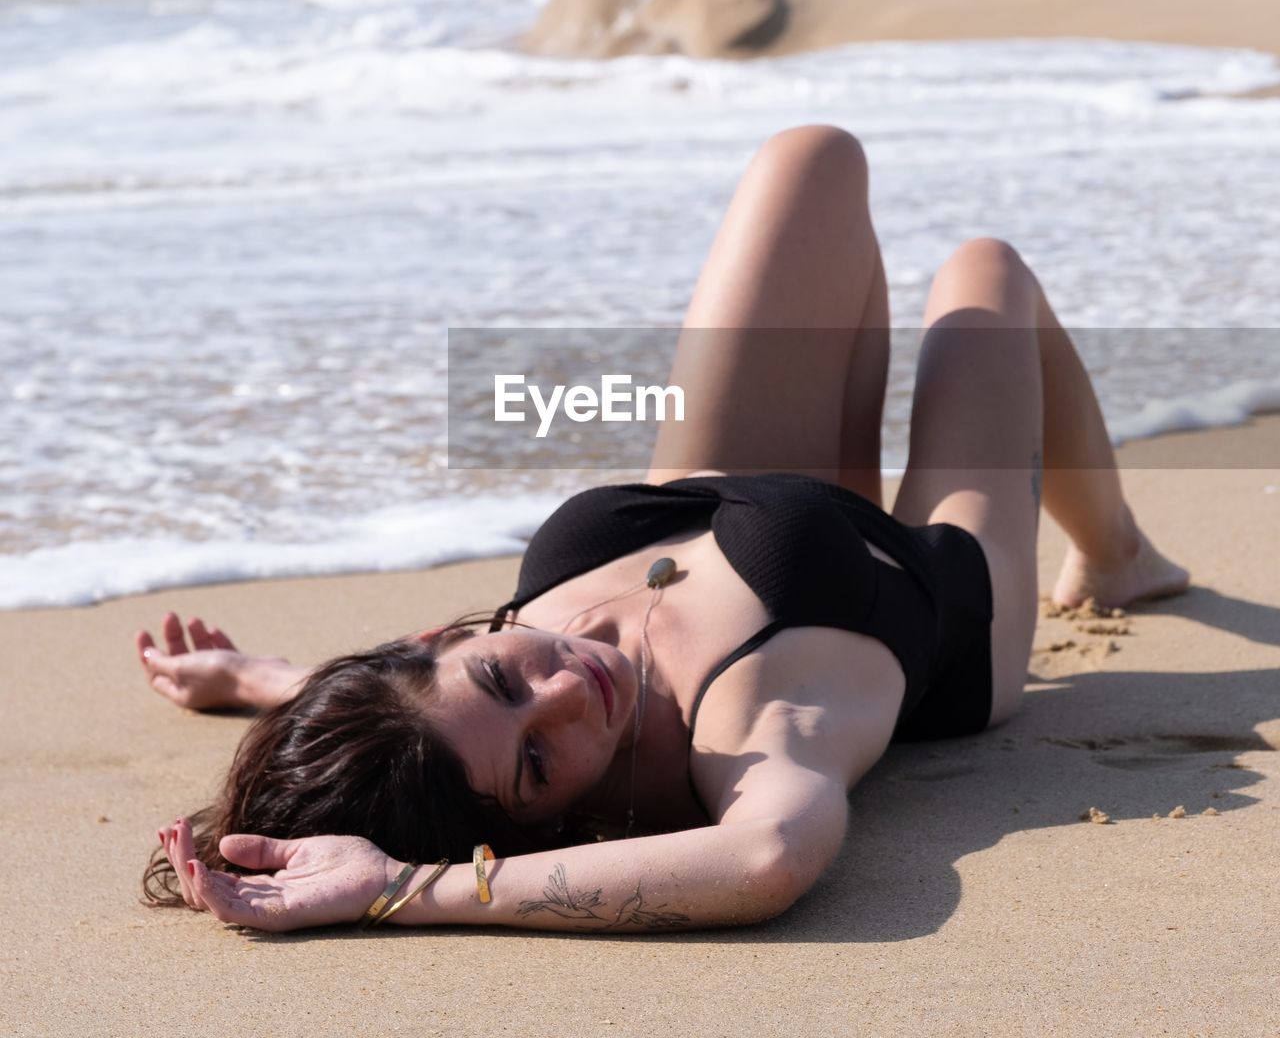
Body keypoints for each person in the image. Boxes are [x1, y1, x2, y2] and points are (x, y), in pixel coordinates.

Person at [137, 125, 1189, 934]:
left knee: (809, 158)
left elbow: (417, 712)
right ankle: (1115, 554)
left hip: (734, 496)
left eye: (506, 676)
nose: (567, 690)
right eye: (541, 764)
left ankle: (1101, 549)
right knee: (983, 275)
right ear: (542, 820)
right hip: (938, 591)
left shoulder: (442, 700)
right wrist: (412, 886)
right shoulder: (748, 728)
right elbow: (769, 853)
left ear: (433, 639)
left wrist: (269, 680)